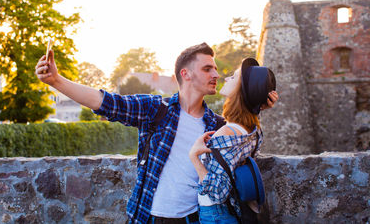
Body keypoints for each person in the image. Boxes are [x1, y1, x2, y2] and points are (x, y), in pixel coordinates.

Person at [35, 43, 278, 224]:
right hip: (147, 216)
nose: (216, 74)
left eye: (215, 69)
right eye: (207, 69)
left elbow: (246, 143)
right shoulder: (156, 110)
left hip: (192, 219)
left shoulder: (216, 123)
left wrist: (257, 105)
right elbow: (106, 102)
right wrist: (57, 81)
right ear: (186, 74)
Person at [189, 58, 276, 224]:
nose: (227, 78)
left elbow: (218, 193)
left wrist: (194, 155)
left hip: (215, 214)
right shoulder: (253, 131)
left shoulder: (227, 133)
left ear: (240, 92)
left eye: (234, 78)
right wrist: (259, 106)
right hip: (230, 212)